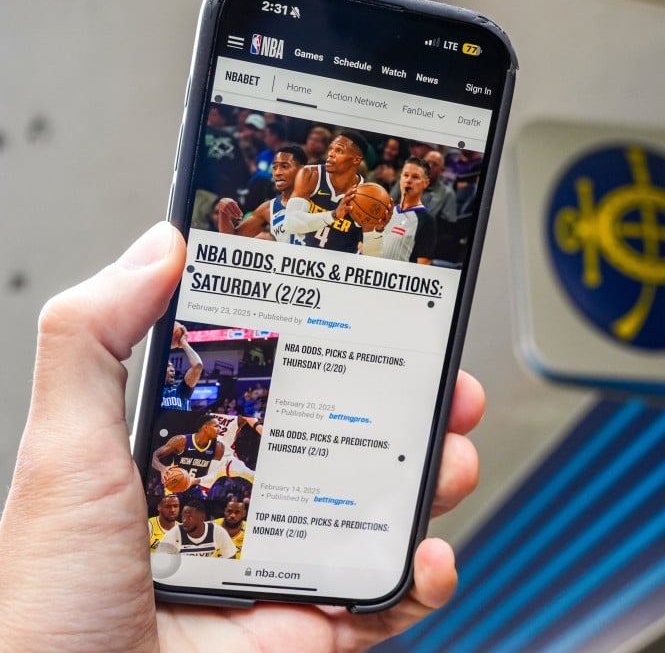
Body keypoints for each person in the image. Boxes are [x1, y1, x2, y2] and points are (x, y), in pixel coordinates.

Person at [0, 221, 484, 649]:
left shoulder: (219, 429)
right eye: (210, 421)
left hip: (228, 484)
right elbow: (160, 461)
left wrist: (191, 349)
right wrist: (167, 472)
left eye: (214, 420)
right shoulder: (178, 443)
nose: (212, 422)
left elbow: (204, 387)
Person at [283, 130, 389, 252]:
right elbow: (290, 223)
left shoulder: (367, 196)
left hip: (339, 265)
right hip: (305, 256)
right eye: (331, 149)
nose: (331, 154)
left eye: (339, 150)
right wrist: (333, 215)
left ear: (356, 160)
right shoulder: (311, 175)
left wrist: (377, 232)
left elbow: (372, 255)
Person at [217, 144, 308, 243]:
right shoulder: (268, 208)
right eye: (274, 167)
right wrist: (223, 212)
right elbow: (232, 239)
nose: (277, 172)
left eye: (284, 166)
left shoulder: (321, 198)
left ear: (302, 170)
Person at [377, 157, 437, 265]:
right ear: (400, 179)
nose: (408, 180)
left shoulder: (427, 221)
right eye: (405, 175)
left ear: (426, 183)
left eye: (415, 177)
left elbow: (423, 265)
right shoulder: (386, 210)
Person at [151, 414, 225, 497]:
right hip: (173, 485)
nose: (220, 429)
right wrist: (162, 469)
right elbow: (154, 456)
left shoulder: (218, 447)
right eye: (216, 426)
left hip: (195, 488)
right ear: (205, 428)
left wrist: (193, 481)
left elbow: (213, 475)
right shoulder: (181, 441)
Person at [158, 499, 237, 558]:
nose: (184, 520)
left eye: (189, 517)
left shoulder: (216, 531)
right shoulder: (175, 533)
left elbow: (231, 557)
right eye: (183, 516)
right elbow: (161, 561)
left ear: (202, 518)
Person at [162, 321, 203, 411]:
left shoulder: (181, 390)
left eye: (173, 366)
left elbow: (197, 366)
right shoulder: (150, 392)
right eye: (168, 366)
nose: (173, 369)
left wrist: (183, 343)